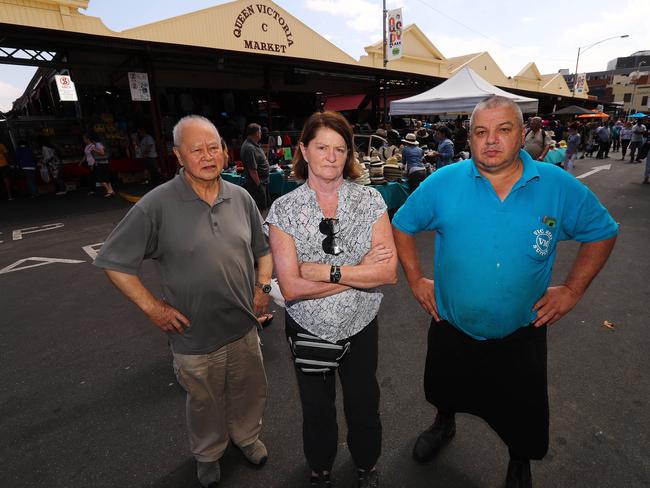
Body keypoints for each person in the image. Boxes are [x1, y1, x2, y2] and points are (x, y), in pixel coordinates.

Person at [391, 95, 618, 488]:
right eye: (481, 131)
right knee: (444, 386)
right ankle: (443, 424)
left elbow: (602, 231)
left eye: (503, 129)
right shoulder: (444, 181)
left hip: (520, 332)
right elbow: (403, 222)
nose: (491, 140)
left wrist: (572, 290)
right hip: (452, 324)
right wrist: (415, 279)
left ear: (523, 133)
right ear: (470, 137)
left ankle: (519, 459)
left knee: (522, 411)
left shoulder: (556, 185)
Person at [94, 115, 272, 488]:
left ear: (225, 151)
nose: (208, 156)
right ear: (178, 155)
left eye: (214, 147)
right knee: (204, 401)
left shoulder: (240, 197)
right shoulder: (156, 204)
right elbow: (114, 262)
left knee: (249, 389)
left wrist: (262, 287)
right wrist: (152, 307)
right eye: (196, 150)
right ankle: (208, 454)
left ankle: (246, 437)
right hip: (194, 336)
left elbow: (263, 250)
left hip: (243, 328)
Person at [266, 111, 398, 488]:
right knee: (317, 408)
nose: (331, 156)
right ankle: (319, 467)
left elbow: (387, 274)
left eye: (340, 149)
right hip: (308, 327)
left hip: (361, 325)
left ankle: (365, 466)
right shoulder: (285, 210)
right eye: (322, 147)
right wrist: (360, 272)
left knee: (363, 404)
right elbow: (290, 288)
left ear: (348, 155)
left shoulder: (370, 200)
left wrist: (324, 271)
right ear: (304, 151)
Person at [241, 123, 271, 211]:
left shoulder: (254, 144)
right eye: (260, 131)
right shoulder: (250, 148)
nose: (261, 133)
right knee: (259, 209)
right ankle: (259, 225)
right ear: (256, 133)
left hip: (262, 182)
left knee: (264, 207)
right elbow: (252, 170)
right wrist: (259, 186)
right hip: (257, 183)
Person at [80, 133, 115, 197]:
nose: (85, 140)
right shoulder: (97, 144)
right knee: (106, 178)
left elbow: (102, 153)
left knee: (101, 179)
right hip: (102, 162)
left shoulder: (97, 144)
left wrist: (94, 149)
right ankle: (111, 190)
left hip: (102, 162)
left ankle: (109, 190)